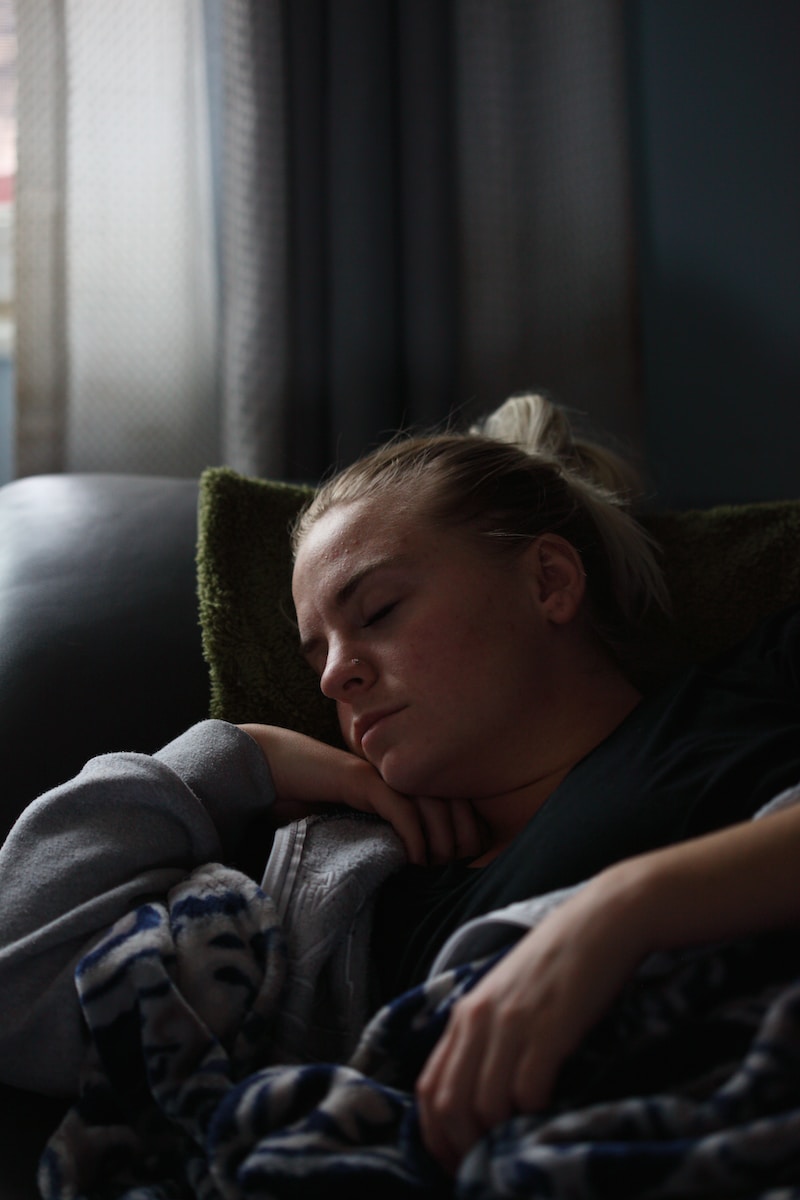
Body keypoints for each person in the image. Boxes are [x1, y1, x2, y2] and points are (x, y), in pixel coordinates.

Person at [2, 391, 800, 1181]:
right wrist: (240, 758)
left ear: (549, 581)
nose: (334, 677)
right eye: (317, 656)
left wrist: (625, 911)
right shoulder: (348, 893)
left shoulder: (744, 696)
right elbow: (18, 978)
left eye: (378, 611)